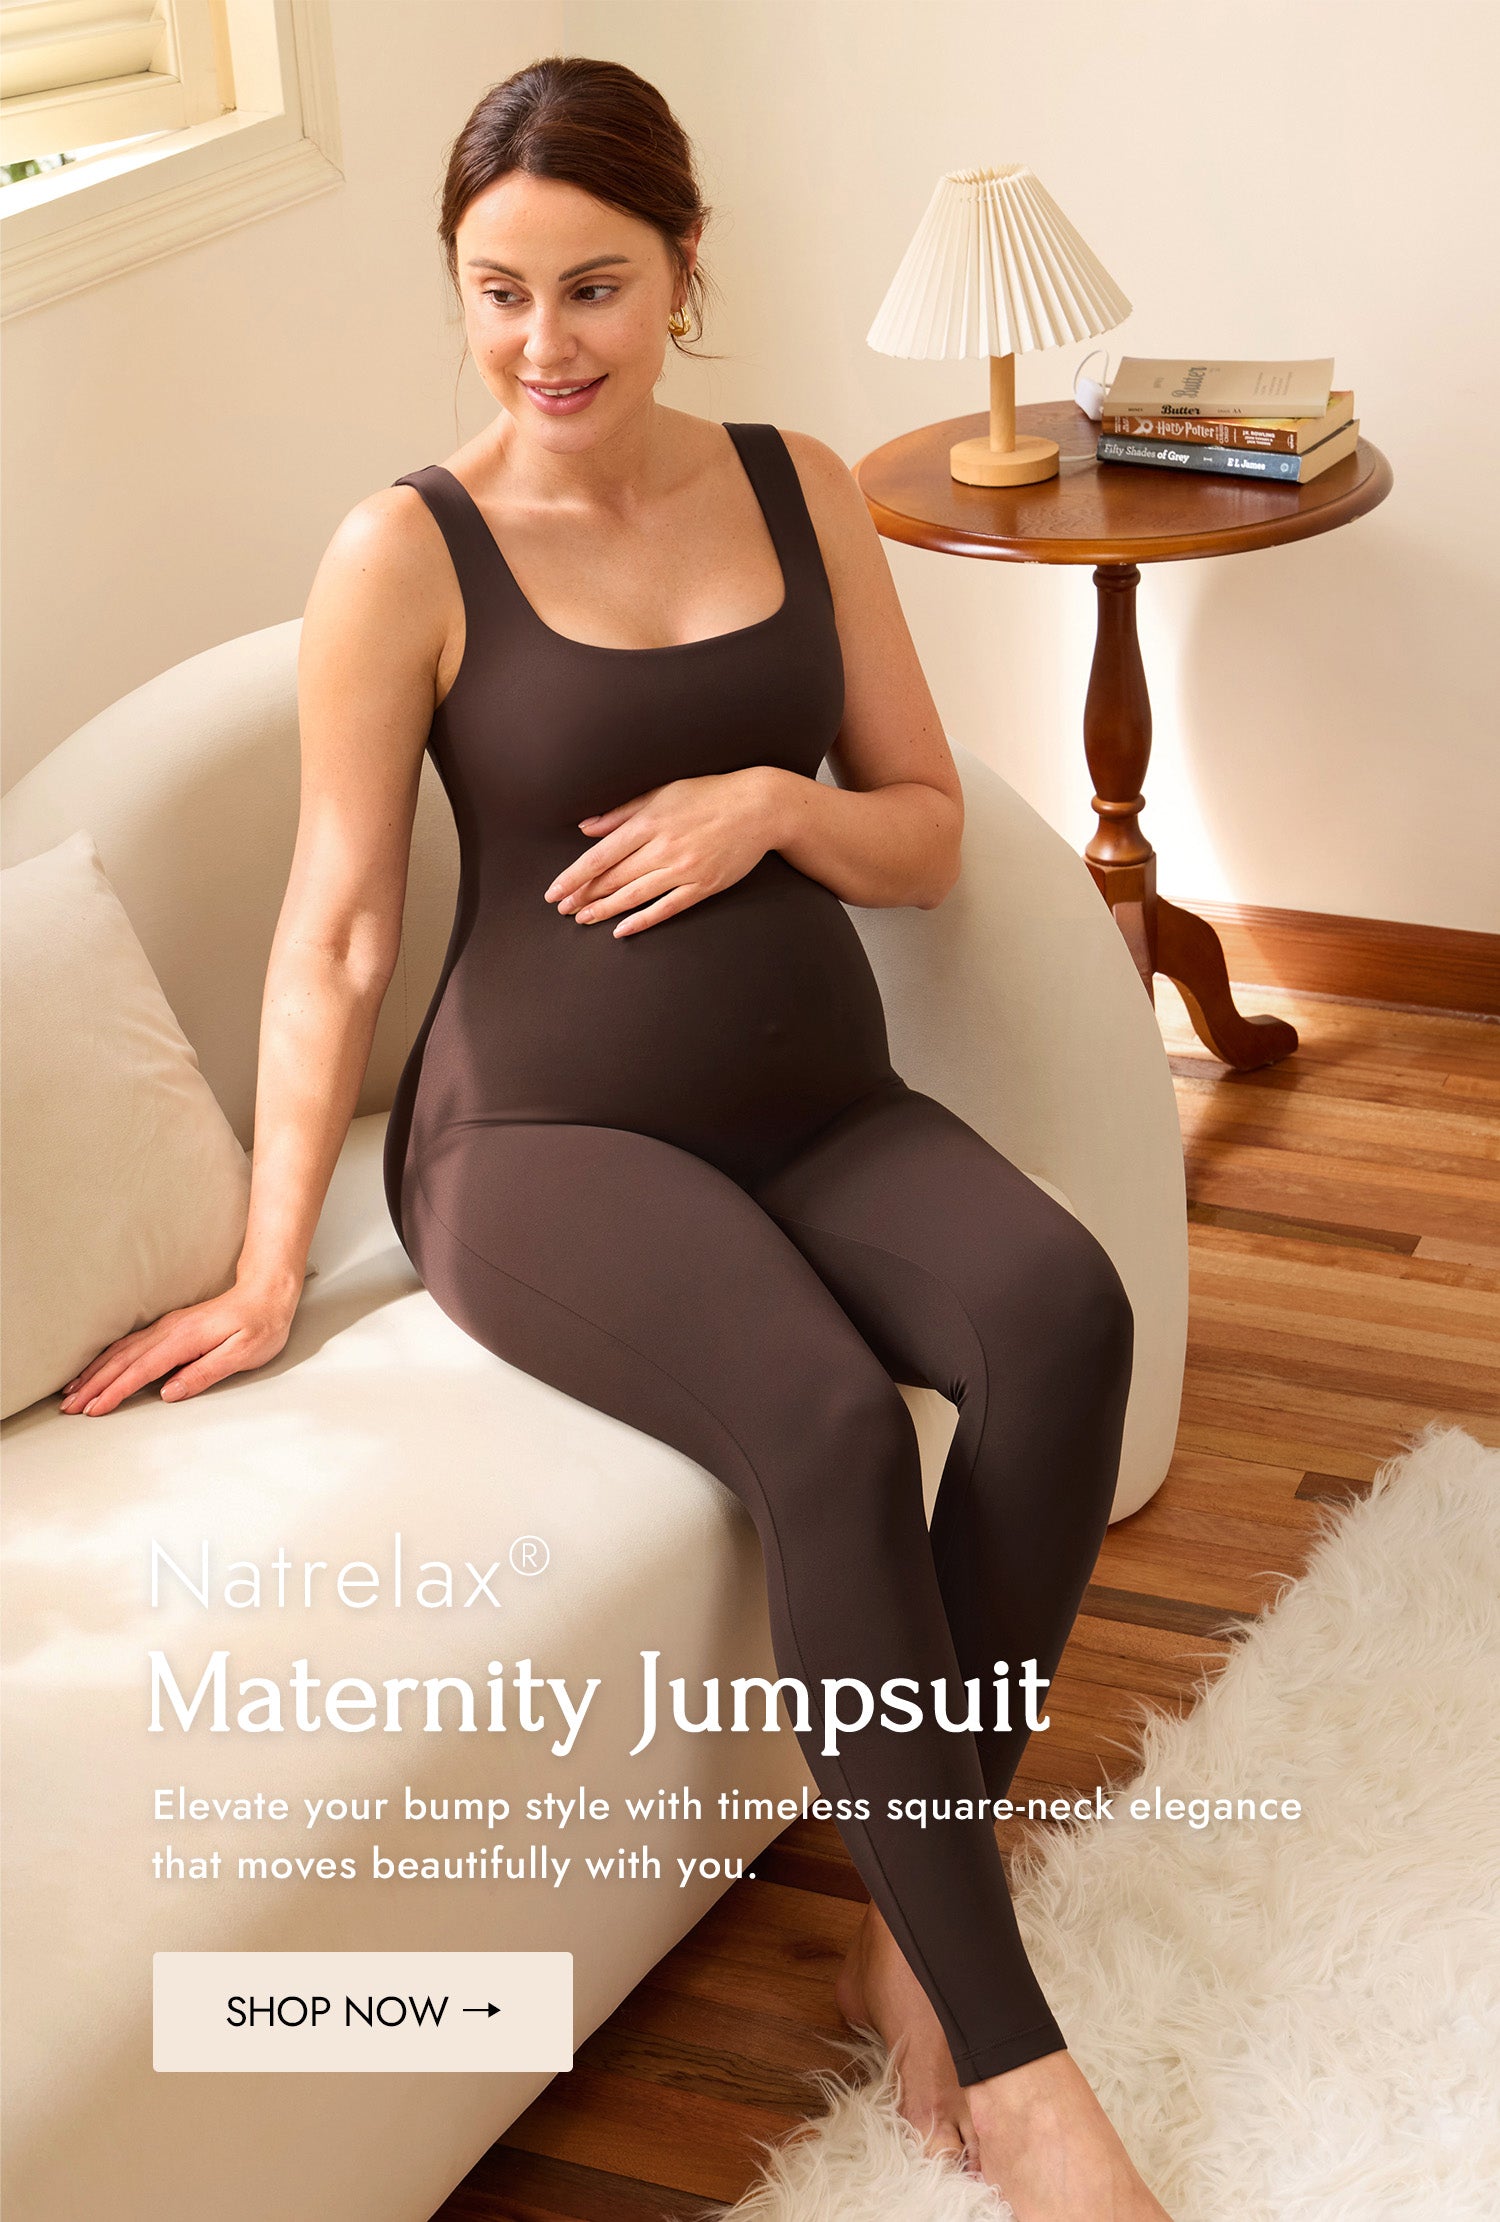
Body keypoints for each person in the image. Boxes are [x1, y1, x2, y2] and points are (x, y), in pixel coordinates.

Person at [57, 54, 1170, 2221]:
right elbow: (340, 925)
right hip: (542, 1141)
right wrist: (273, 1264)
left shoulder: (798, 485)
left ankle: (905, 1920)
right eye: (498, 292)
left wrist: (770, 805)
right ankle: (1017, 2062)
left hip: (817, 1106)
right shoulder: (408, 549)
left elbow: (927, 832)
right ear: (455, 289)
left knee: (1061, 1317)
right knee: (831, 1429)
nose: (545, 344)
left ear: (683, 272)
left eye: (594, 287)